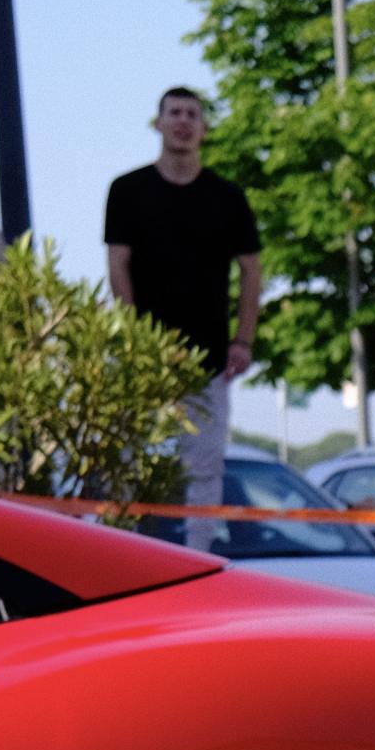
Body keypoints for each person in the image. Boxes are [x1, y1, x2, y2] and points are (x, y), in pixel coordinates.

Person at [104, 87, 263, 528]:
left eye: (192, 114)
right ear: (158, 123)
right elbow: (118, 264)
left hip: (207, 356)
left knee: (205, 465)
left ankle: (200, 553)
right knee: (126, 458)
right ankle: (124, 548)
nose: (183, 121)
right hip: (144, 355)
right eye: (174, 113)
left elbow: (252, 271)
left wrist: (244, 340)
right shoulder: (127, 190)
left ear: (204, 129)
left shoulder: (228, 197)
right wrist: (134, 338)